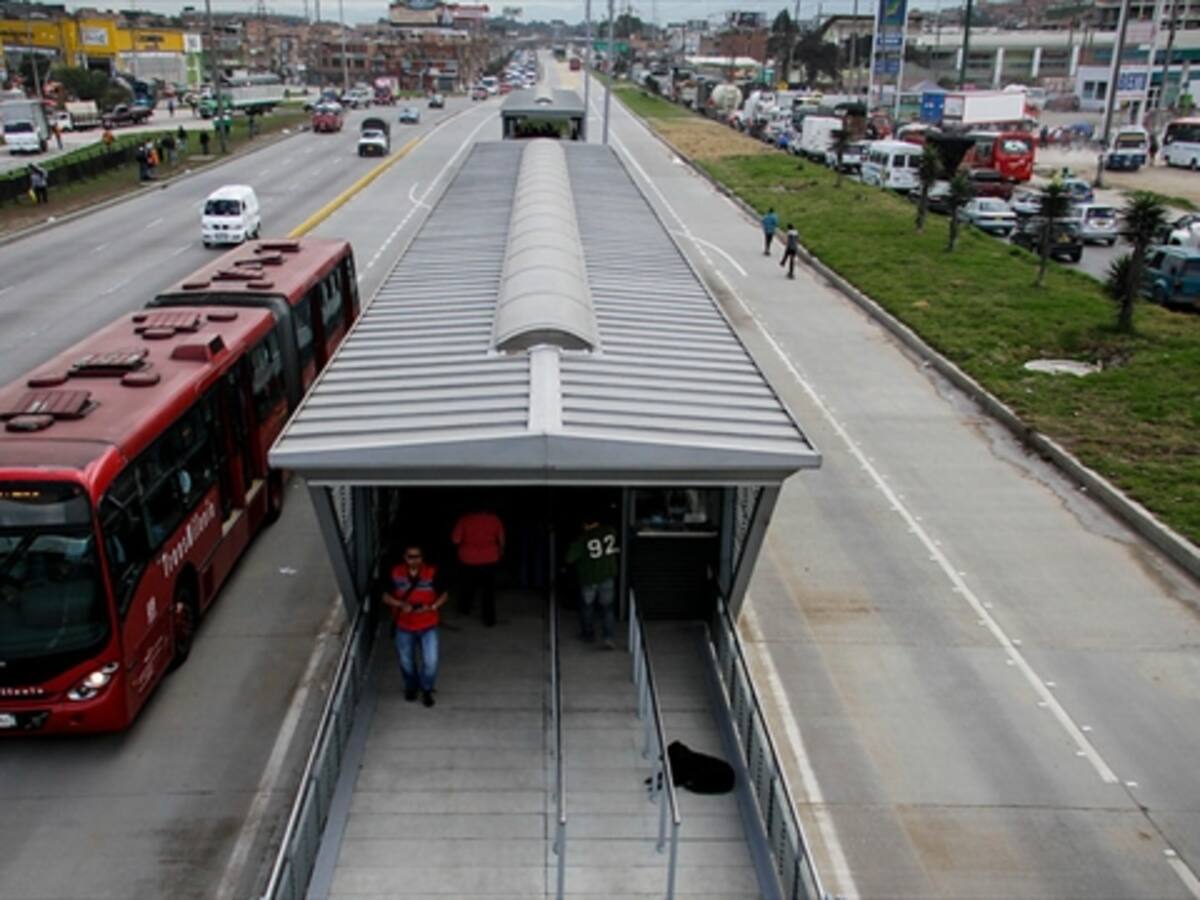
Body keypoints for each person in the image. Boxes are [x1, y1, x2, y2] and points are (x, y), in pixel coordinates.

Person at [383, 544, 448, 707]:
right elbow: (384, 595)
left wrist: (432, 606)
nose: (414, 560)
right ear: (404, 558)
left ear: (422, 557)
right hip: (404, 625)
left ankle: (426, 689)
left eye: (417, 556)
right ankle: (411, 687)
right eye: (410, 556)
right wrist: (400, 604)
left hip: (428, 624)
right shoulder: (395, 572)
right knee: (406, 661)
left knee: (431, 660)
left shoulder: (432, 572)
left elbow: (444, 594)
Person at [565, 515, 620, 648]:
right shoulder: (610, 531)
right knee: (607, 608)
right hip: (607, 576)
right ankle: (608, 637)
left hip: (589, 578)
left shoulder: (583, 539)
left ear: (585, 524)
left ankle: (588, 635)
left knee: (587, 607)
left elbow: (569, 558)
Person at [451, 506, 505, 626]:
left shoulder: (464, 520)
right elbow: (501, 539)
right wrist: (500, 552)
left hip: (468, 559)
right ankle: (489, 619)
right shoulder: (494, 519)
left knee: (467, 587)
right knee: (488, 591)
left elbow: (455, 540)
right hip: (490, 559)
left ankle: (465, 608)